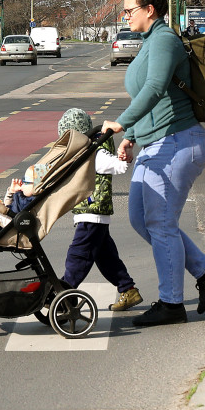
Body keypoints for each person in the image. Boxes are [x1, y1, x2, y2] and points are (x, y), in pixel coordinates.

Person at [102, 0, 205, 327]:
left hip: (178, 141)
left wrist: (122, 121)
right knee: (142, 219)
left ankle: (172, 303)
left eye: (129, 10)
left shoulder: (164, 41)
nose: (125, 16)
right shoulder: (150, 41)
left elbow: (156, 88)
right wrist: (132, 136)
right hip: (156, 142)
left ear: (149, 10)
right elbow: (156, 99)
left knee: (160, 222)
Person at [57, 107, 143, 312]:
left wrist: (123, 157)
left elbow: (118, 167)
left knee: (78, 255)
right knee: (106, 257)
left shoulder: (95, 152)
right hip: (91, 214)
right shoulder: (84, 152)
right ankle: (128, 289)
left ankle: (65, 293)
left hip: (92, 213)